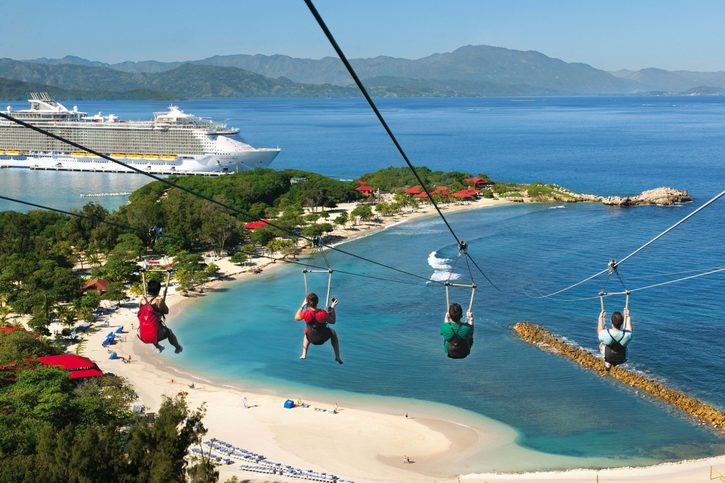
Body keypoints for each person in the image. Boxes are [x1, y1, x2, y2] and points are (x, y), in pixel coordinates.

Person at [294, 292, 342, 364]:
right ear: (317, 302)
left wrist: (302, 305)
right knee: (333, 333)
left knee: (306, 332)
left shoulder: (305, 313)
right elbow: (333, 321)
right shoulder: (322, 313)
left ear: (308, 303)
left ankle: (304, 353)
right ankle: (337, 356)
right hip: (322, 337)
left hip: (311, 338)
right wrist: (333, 308)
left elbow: (296, 318)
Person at [140, 279, 183, 354]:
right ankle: (178, 348)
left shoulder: (142, 300)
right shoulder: (158, 300)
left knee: (151, 327)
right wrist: (161, 305)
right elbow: (166, 311)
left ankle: (159, 347)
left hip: (142, 335)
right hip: (154, 333)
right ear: (158, 290)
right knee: (169, 332)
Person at [597, 305, 633, 370]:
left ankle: (608, 365)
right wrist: (628, 316)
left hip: (608, 357)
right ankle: (608, 363)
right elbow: (629, 328)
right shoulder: (627, 335)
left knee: (602, 344)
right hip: (621, 359)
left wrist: (600, 318)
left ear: (611, 322)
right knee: (624, 344)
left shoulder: (605, 333)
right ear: (622, 323)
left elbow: (599, 332)